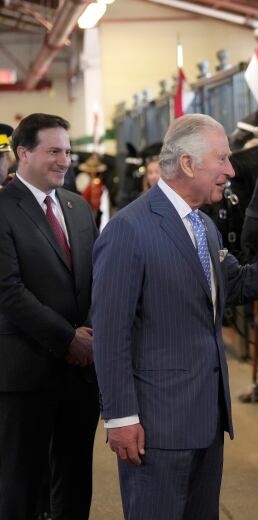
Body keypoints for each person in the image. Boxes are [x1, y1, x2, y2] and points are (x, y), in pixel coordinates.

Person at [91, 114, 258, 520]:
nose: (231, 170)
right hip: (156, 428)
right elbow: (110, 335)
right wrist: (121, 418)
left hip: (206, 422)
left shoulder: (204, 228)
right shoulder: (129, 230)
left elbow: (239, 285)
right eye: (223, 159)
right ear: (190, 164)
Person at [0, 113, 100, 519]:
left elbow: (95, 279)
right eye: (54, 151)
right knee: (20, 485)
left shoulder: (78, 208)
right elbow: (8, 292)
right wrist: (68, 339)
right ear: (23, 153)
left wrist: (89, 336)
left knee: (75, 479)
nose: (65, 160)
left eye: (68, 151)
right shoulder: (3, 208)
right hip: (25, 373)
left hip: (80, 375)